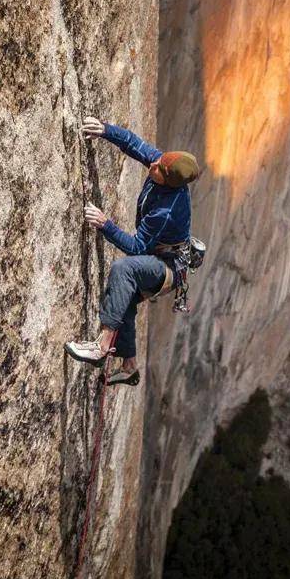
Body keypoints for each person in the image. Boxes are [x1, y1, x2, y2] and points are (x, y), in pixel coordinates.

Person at [64, 116, 200, 386]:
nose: (153, 164)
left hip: (168, 268)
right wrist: (104, 130)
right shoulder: (163, 163)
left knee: (123, 270)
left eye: (158, 168)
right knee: (122, 295)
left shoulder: (167, 210)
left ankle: (101, 347)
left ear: (169, 182)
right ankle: (129, 366)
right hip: (159, 257)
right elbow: (134, 143)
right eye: (158, 161)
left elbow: (138, 248)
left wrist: (105, 225)